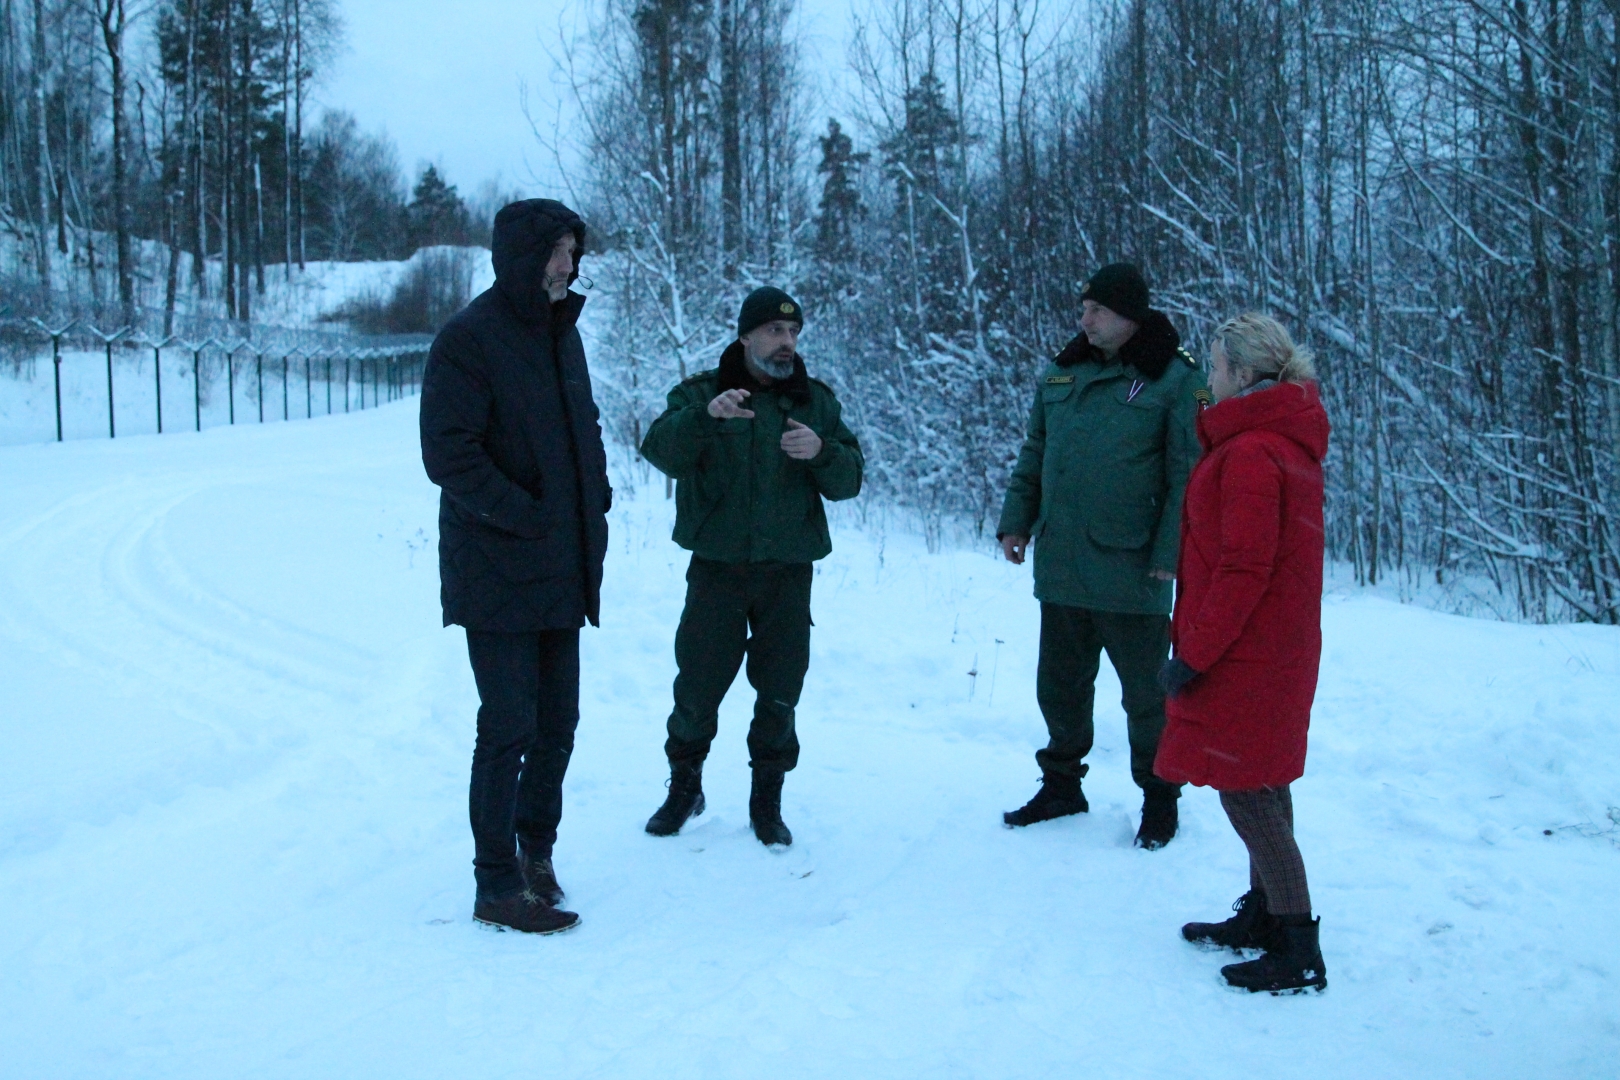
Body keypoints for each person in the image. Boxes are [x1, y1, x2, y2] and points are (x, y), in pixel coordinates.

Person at [419, 199, 611, 935]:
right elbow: (449, 454)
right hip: (497, 565)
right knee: (508, 724)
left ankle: (536, 854)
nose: (569, 265)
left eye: (572, 251)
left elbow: (582, 425)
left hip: (561, 562)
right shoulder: (468, 340)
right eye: (558, 252)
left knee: (557, 723)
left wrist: (594, 493)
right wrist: (529, 515)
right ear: (522, 258)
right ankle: (495, 883)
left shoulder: (562, 332)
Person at [639, 287, 864, 848]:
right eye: (774, 331)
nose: (787, 342)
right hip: (717, 568)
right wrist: (704, 419)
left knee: (781, 689)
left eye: (793, 333)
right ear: (745, 336)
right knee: (697, 684)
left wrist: (823, 453)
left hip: (787, 571)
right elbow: (660, 451)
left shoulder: (815, 402)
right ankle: (684, 786)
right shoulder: (702, 393)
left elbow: (850, 482)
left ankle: (767, 798)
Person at [996, 263, 1206, 848]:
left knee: (1146, 695)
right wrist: (1016, 520)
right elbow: (1035, 450)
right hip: (1062, 560)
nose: (1084, 319)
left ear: (1129, 316)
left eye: (1097, 310)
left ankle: (1159, 797)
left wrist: (1171, 551)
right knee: (1059, 685)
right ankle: (1061, 785)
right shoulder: (1064, 371)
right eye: (1083, 308)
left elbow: (1188, 472)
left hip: (1132, 566)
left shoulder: (1173, 378)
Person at [1153, 313, 1331, 994]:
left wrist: (1193, 655)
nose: (1209, 377)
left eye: (1217, 366)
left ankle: (1297, 947)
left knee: (1247, 793)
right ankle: (1266, 915)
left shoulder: (1254, 451)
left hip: (1245, 653)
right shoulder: (1275, 441)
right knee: (1264, 781)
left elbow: (1243, 569)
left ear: (1246, 374)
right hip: (1269, 648)